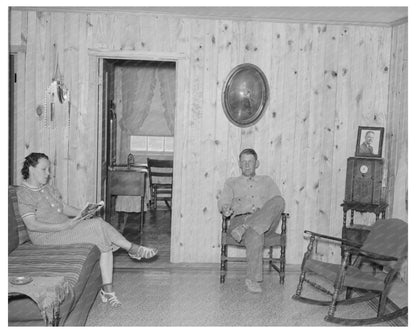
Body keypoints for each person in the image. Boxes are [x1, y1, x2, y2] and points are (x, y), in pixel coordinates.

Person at [16, 152, 158, 307]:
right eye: (44, 170)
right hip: (45, 236)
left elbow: (62, 208)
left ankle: (109, 289)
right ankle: (132, 249)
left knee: (99, 228)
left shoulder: (47, 188)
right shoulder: (24, 193)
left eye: (49, 169)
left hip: (64, 228)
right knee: (97, 225)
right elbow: (32, 225)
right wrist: (64, 226)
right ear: (30, 169)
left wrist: (83, 213)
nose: (48, 174)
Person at [217, 148, 285, 293]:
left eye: (250, 162)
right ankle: (252, 280)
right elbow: (224, 201)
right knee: (255, 232)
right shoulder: (231, 182)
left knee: (279, 200)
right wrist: (225, 208)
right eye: (243, 162)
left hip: (265, 222)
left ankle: (247, 226)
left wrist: (258, 214)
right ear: (239, 164)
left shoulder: (267, 181)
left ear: (257, 163)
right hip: (239, 220)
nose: (247, 165)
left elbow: (276, 204)